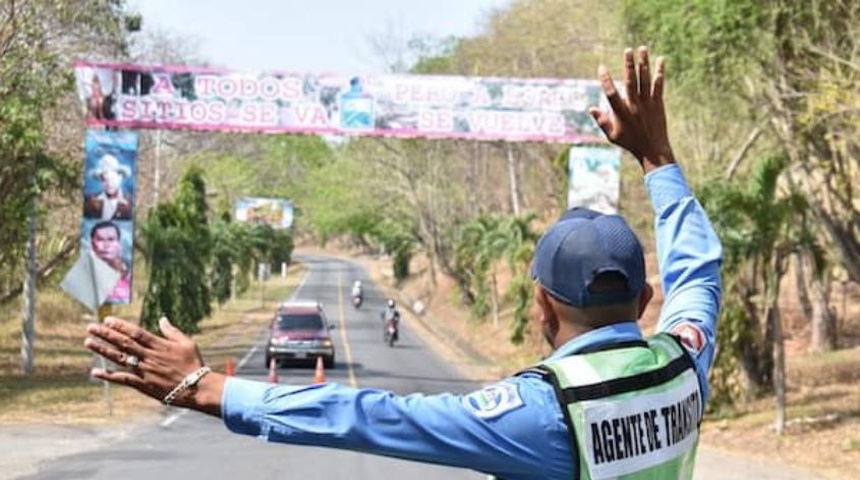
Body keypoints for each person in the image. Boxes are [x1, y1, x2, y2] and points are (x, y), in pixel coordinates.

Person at [83, 47, 722, 480]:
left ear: (541, 303)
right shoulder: (684, 360)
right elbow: (698, 272)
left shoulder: (546, 411)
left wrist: (213, 387)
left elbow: (374, 417)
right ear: (644, 302)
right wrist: (656, 157)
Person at [89, 220, 131, 304]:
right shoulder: (86, 274)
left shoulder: (129, 274)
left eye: (111, 239)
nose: (106, 245)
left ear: (119, 244)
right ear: (92, 244)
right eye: (100, 239)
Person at [84, 153, 134, 220]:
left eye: (112, 179)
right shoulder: (90, 201)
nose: (109, 184)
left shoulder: (130, 202)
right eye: (104, 180)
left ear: (120, 178)